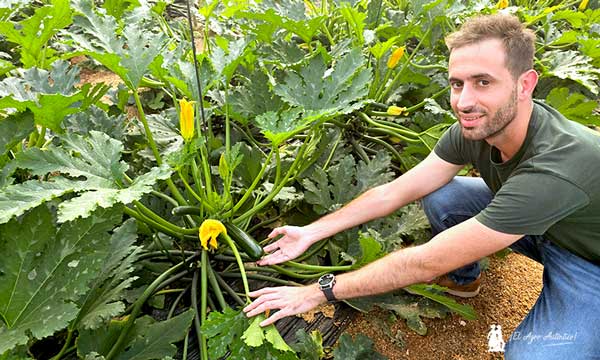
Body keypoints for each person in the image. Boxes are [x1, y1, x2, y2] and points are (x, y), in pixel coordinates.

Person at [243, 13, 600, 358]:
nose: (464, 101)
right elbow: (394, 191)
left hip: (588, 261)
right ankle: (465, 282)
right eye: (457, 84)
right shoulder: (477, 127)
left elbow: (427, 262)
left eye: (483, 82)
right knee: (443, 195)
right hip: (549, 223)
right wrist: (311, 231)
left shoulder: (554, 167)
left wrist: (320, 291)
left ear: (525, 85)